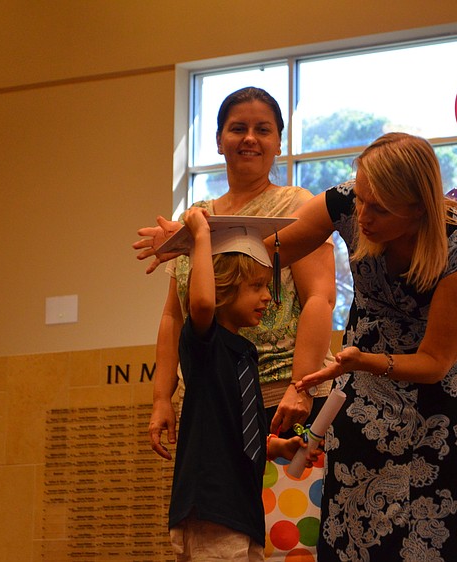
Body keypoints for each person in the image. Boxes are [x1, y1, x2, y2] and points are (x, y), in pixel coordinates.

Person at [140, 132, 457, 560]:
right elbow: (260, 255)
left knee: (437, 530)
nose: (362, 214)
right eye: (361, 198)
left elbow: (436, 361)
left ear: (418, 207)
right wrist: (193, 245)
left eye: (379, 208)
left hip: (436, 398)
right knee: (357, 524)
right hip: (361, 385)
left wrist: (362, 361)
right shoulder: (345, 203)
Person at [140, 86, 336, 466]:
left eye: (263, 129)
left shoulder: (298, 205)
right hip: (213, 401)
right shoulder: (194, 217)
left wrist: (302, 387)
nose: (249, 138)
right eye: (237, 128)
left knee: (290, 523)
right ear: (218, 141)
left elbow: (320, 298)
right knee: (222, 519)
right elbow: (173, 315)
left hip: (285, 400)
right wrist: (162, 397)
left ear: (278, 142)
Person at [168, 207, 320, 561]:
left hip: (243, 512)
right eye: (256, 286)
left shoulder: (244, 353)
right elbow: (202, 303)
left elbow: (232, 429)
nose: (267, 296)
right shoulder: (206, 342)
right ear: (223, 286)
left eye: (267, 286)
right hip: (211, 508)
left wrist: (273, 447)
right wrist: (201, 236)